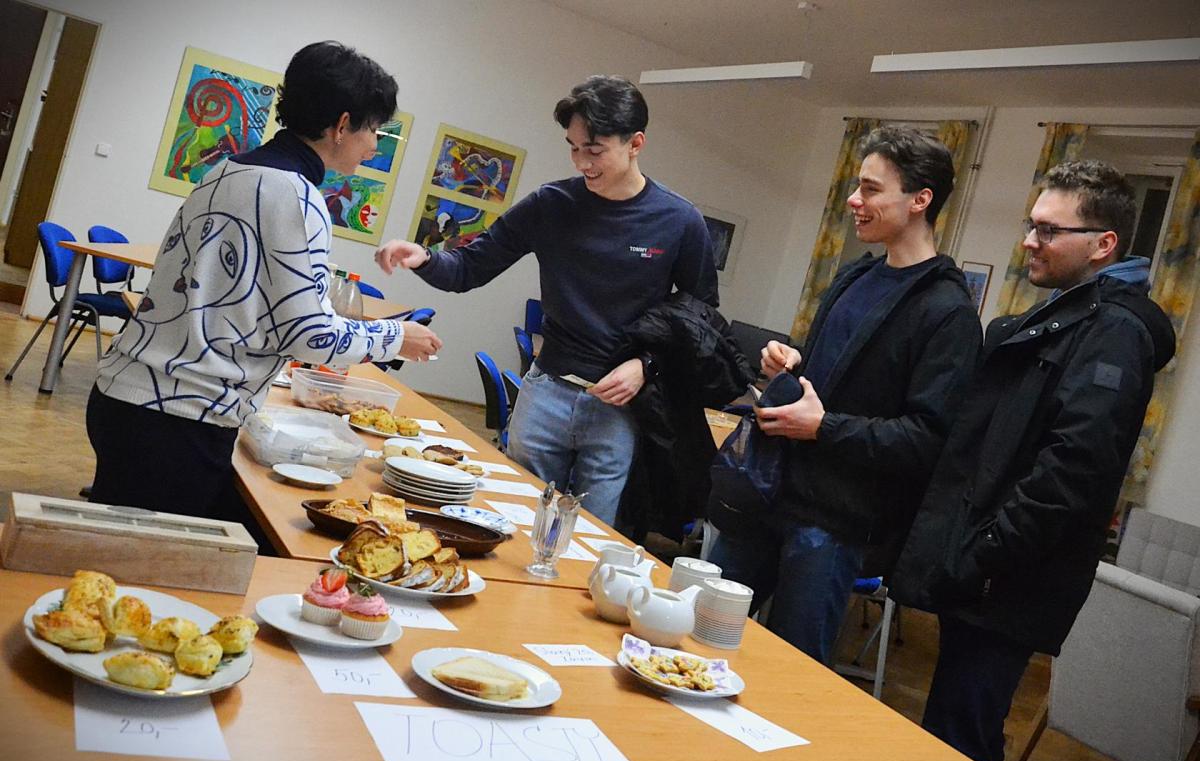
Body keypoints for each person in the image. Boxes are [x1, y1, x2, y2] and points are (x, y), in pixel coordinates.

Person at [87, 41, 442, 544]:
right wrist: (395, 337)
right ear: (342, 125)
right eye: (373, 130)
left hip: (131, 398)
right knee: (142, 573)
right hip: (177, 419)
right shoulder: (296, 196)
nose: (373, 146)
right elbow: (311, 337)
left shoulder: (230, 170)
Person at [890, 160, 1176, 761]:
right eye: (1031, 225)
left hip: (1008, 579)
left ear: (1103, 244)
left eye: (1049, 230)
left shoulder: (1115, 333)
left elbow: (1070, 474)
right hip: (988, 571)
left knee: (960, 744)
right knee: (951, 732)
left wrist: (982, 555)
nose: (1029, 241)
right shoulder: (1064, 317)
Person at [374, 75, 717, 525]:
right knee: (514, 518)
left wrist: (646, 365)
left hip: (619, 406)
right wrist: (425, 259)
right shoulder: (551, 204)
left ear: (635, 143)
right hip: (546, 390)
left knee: (592, 531)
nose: (582, 162)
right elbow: (470, 267)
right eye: (573, 148)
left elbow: (701, 318)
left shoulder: (679, 220)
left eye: (594, 150)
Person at [708, 126, 982, 665]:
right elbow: (830, 380)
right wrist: (790, 364)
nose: (854, 200)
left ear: (920, 200)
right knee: (697, 631)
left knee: (789, 676)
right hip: (769, 495)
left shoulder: (948, 313)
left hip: (833, 526)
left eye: (871, 189)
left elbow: (927, 440)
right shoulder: (856, 276)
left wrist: (822, 427)